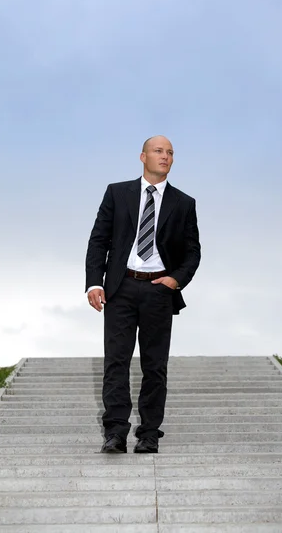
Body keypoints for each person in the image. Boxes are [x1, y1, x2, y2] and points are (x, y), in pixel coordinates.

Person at [85, 136, 201, 453]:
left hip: (158, 291)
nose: (165, 156)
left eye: (171, 153)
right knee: (116, 363)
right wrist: (95, 282)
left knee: (154, 365)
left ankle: (149, 433)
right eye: (159, 151)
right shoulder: (117, 193)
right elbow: (98, 240)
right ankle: (116, 433)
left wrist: (175, 280)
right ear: (143, 156)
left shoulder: (184, 203)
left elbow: (193, 253)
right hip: (120, 288)